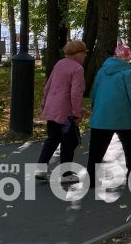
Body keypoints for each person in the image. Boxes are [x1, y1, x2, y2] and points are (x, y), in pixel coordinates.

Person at [87, 45, 131, 188]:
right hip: (123, 118)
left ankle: (91, 179)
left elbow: (94, 92)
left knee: (96, 151)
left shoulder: (102, 71)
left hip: (100, 118)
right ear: (128, 58)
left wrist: (95, 110)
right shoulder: (128, 74)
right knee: (130, 150)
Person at [35, 40, 87, 183]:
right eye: (84, 53)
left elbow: (48, 85)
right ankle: (65, 174)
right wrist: (77, 113)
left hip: (51, 108)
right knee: (69, 142)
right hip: (66, 112)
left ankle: (40, 168)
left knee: (52, 139)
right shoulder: (77, 69)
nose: (85, 56)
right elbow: (76, 94)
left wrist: (44, 103)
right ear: (78, 53)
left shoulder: (59, 64)